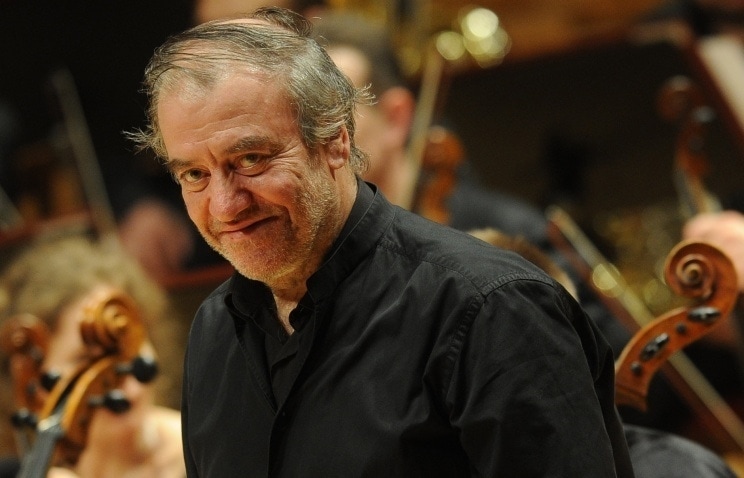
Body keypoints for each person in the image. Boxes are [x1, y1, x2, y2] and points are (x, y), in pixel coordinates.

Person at [129, 7, 634, 476]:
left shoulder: (494, 310)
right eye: (194, 174)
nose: (224, 205)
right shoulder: (213, 332)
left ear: (336, 141)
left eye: (251, 160)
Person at [0, 234, 185, 478]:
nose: (129, 384)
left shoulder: (206, 451)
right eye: (87, 359)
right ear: (34, 381)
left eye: (130, 344)